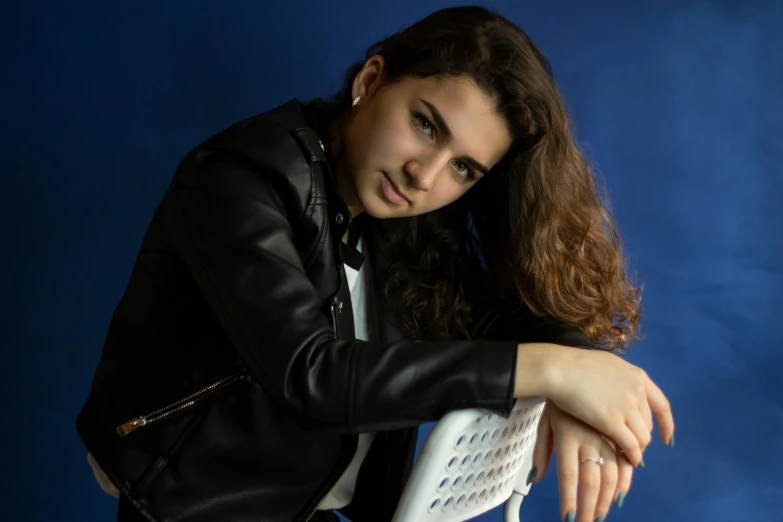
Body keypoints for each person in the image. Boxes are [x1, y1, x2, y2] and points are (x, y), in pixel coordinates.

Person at [77, 6, 674, 522]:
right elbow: (313, 376)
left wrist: (579, 374)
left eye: (464, 168)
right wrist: (556, 373)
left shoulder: (399, 215)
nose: (425, 175)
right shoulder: (240, 176)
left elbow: (497, 326)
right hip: (200, 504)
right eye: (424, 124)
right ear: (372, 78)